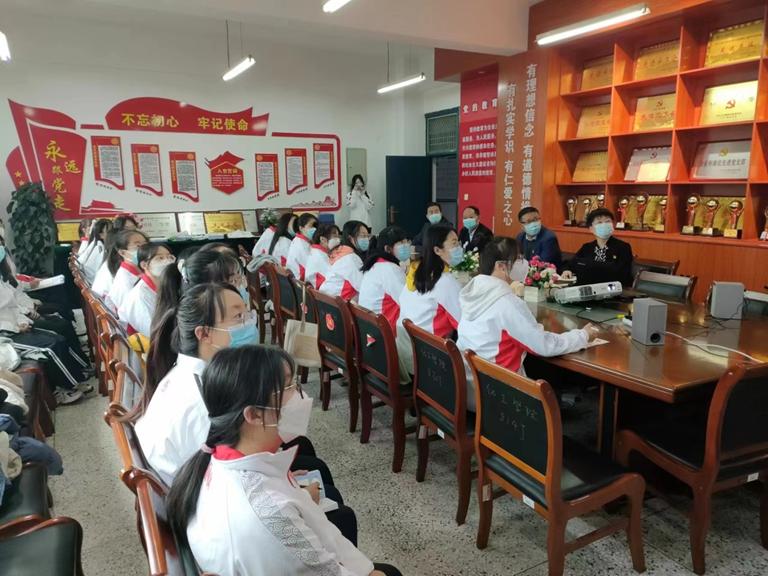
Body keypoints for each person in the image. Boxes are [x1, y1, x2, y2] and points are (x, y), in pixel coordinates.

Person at [166, 345, 401, 576]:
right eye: (289, 386)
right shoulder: (270, 517)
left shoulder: (219, 458)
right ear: (254, 414)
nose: (300, 395)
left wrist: (298, 498)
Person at [457, 237, 598, 410]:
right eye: (518, 259)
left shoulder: (473, 294)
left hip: (470, 388)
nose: (524, 264)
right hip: (499, 396)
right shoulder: (507, 303)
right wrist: (582, 335)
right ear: (501, 266)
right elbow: (544, 346)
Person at [396, 224, 463, 375]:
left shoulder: (415, 272)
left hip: (406, 355)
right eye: (454, 244)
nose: (459, 248)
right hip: (430, 364)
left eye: (458, 243)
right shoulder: (445, 282)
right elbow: (463, 323)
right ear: (437, 250)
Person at [562, 208, 633, 287]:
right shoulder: (587, 247)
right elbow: (572, 263)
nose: (604, 225)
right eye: (599, 222)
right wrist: (567, 270)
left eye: (608, 221)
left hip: (612, 289)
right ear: (591, 229)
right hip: (587, 287)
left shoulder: (623, 247)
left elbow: (621, 273)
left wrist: (588, 265)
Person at [118, 243, 175, 337]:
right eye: (160, 258)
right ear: (144, 265)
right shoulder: (141, 295)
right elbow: (153, 334)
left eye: (169, 257)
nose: (167, 262)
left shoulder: (164, 284)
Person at [359, 226, 410, 330]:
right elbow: (408, 302)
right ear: (387, 249)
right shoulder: (390, 269)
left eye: (406, 242)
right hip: (386, 331)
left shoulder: (376, 263)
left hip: (371, 329)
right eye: (401, 243)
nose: (406, 245)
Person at [320, 220, 370, 301]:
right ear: (350, 238)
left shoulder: (340, 251)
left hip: (326, 300)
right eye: (363, 236)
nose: (366, 239)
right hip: (335, 304)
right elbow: (363, 287)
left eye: (368, 236)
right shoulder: (350, 258)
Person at [105, 229, 149, 311]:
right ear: (123, 253)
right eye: (138, 246)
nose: (144, 249)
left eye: (145, 245)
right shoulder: (127, 280)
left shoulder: (136, 271)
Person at [516, 206, 562, 270]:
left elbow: (543, 264)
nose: (533, 224)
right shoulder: (520, 237)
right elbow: (517, 258)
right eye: (529, 221)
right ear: (522, 226)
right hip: (525, 272)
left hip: (546, 273)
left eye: (535, 220)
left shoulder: (549, 238)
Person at [305, 224, 340, 290]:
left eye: (338, 236)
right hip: (322, 292)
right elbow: (334, 277)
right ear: (322, 239)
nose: (338, 239)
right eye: (335, 235)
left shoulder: (317, 252)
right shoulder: (320, 256)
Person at [77, 218, 112, 283]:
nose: (114, 234)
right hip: (93, 283)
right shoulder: (100, 250)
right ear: (101, 235)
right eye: (109, 232)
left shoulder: (97, 245)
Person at [286, 213, 318, 281]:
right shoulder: (301, 245)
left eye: (315, 226)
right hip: (302, 281)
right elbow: (312, 267)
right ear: (301, 228)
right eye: (311, 226)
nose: (315, 229)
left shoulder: (301, 241)